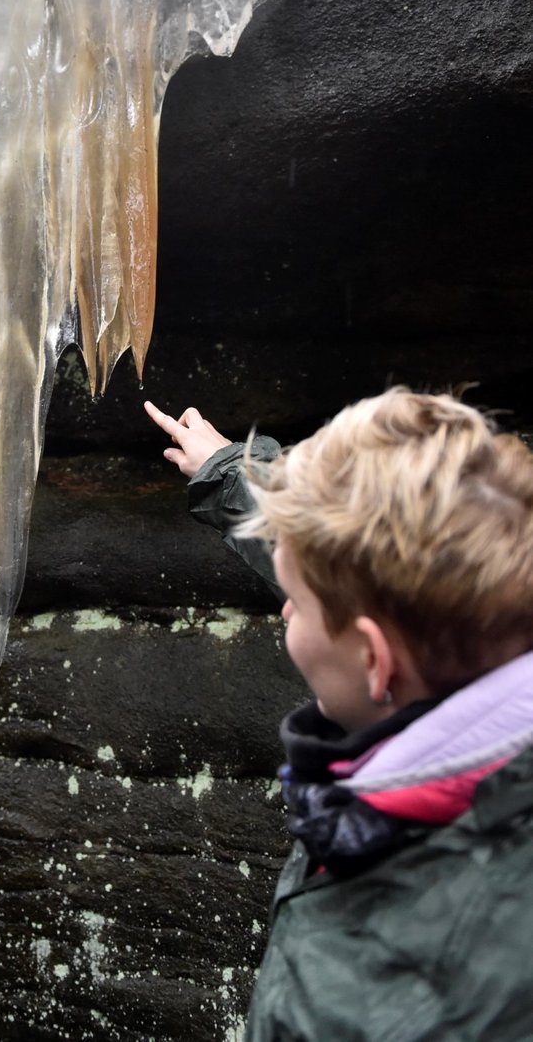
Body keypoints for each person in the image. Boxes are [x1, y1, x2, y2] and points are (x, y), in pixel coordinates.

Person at [145, 390, 533, 1040]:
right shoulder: (491, 614)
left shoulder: (358, 994)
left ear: (377, 663)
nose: (284, 611)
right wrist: (233, 473)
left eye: (292, 599)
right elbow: (366, 569)